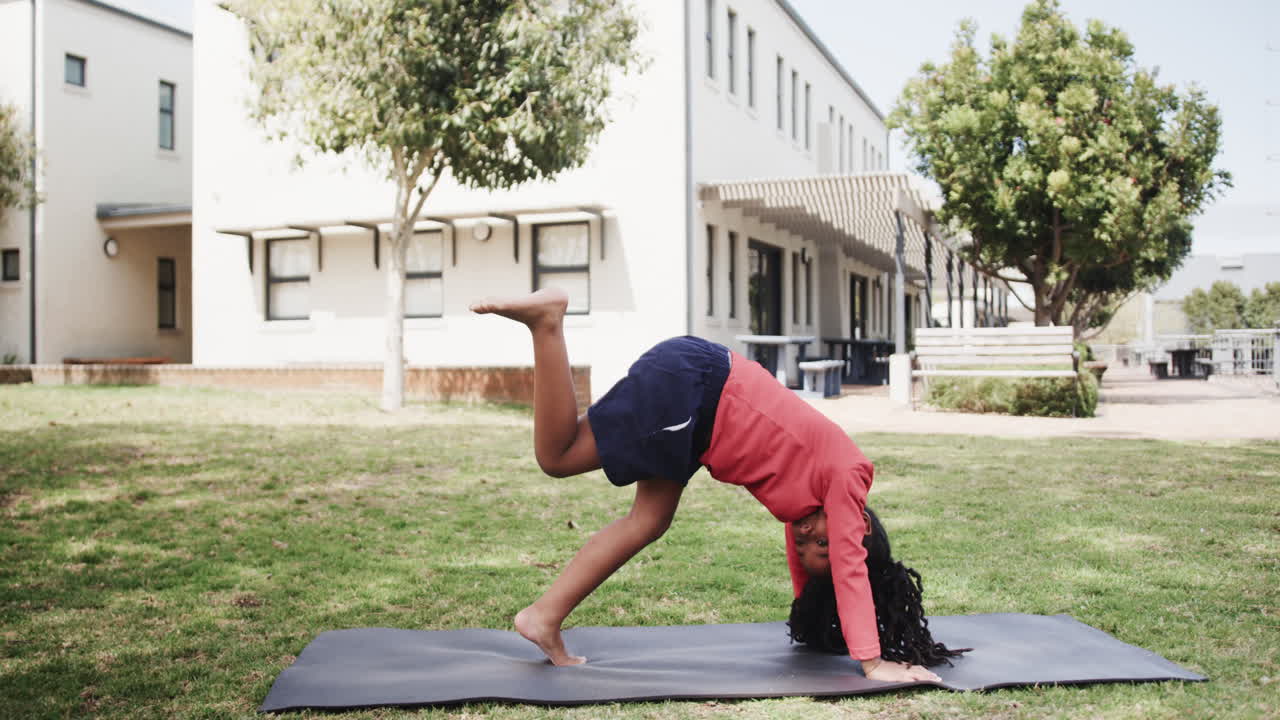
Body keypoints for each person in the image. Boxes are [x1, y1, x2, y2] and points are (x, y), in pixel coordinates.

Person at [470, 287, 962, 683]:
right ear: (861, 529)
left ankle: (543, 617)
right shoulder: (849, 477)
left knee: (649, 520)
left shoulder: (811, 508)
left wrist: (809, 617)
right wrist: (872, 662)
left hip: (699, 415)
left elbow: (811, 572)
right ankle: (548, 323)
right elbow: (848, 569)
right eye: (825, 540)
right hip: (700, 388)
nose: (808, 535)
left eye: (808, 546)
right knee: (559, 456)